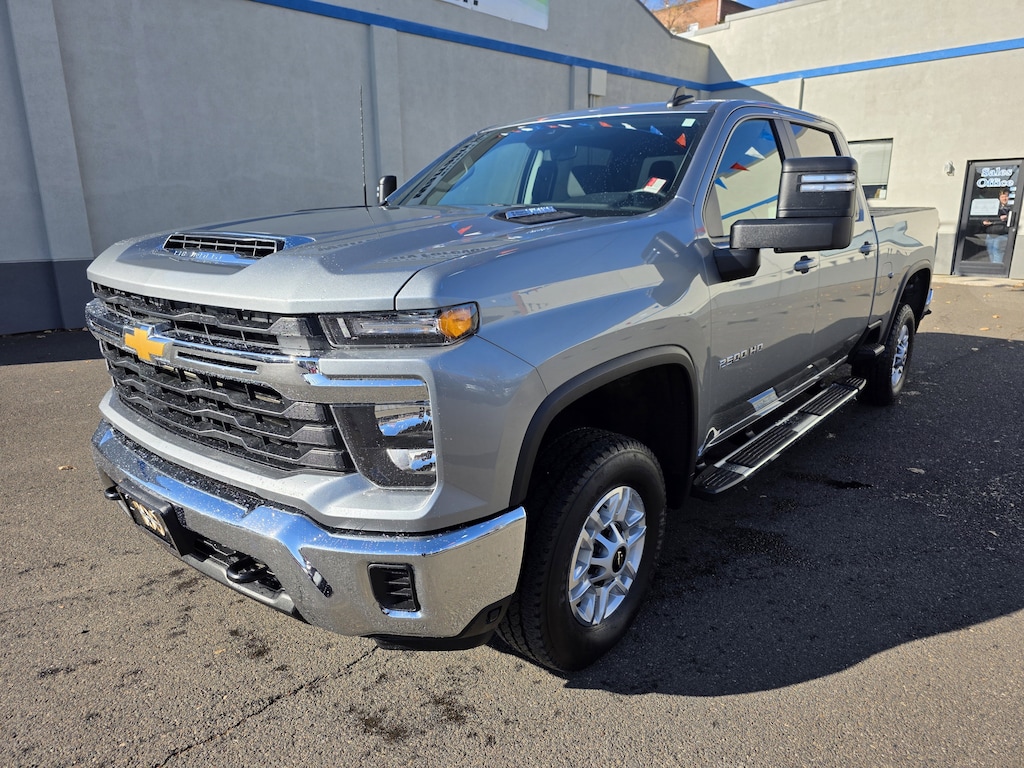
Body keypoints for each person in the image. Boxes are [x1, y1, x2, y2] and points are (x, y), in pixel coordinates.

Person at [982, 189, 1013, 264]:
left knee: (997, 249)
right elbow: (986, 217)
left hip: (1003, 233)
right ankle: (993, 267)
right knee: (990, 252)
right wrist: (984, 221)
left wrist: (1006, 217)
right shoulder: (994, 207)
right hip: (991, 233)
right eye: (1002, 196)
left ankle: (997, 268)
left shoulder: (1012, 207)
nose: (1004, 198)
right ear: (999, 198)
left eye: (1006, 196)